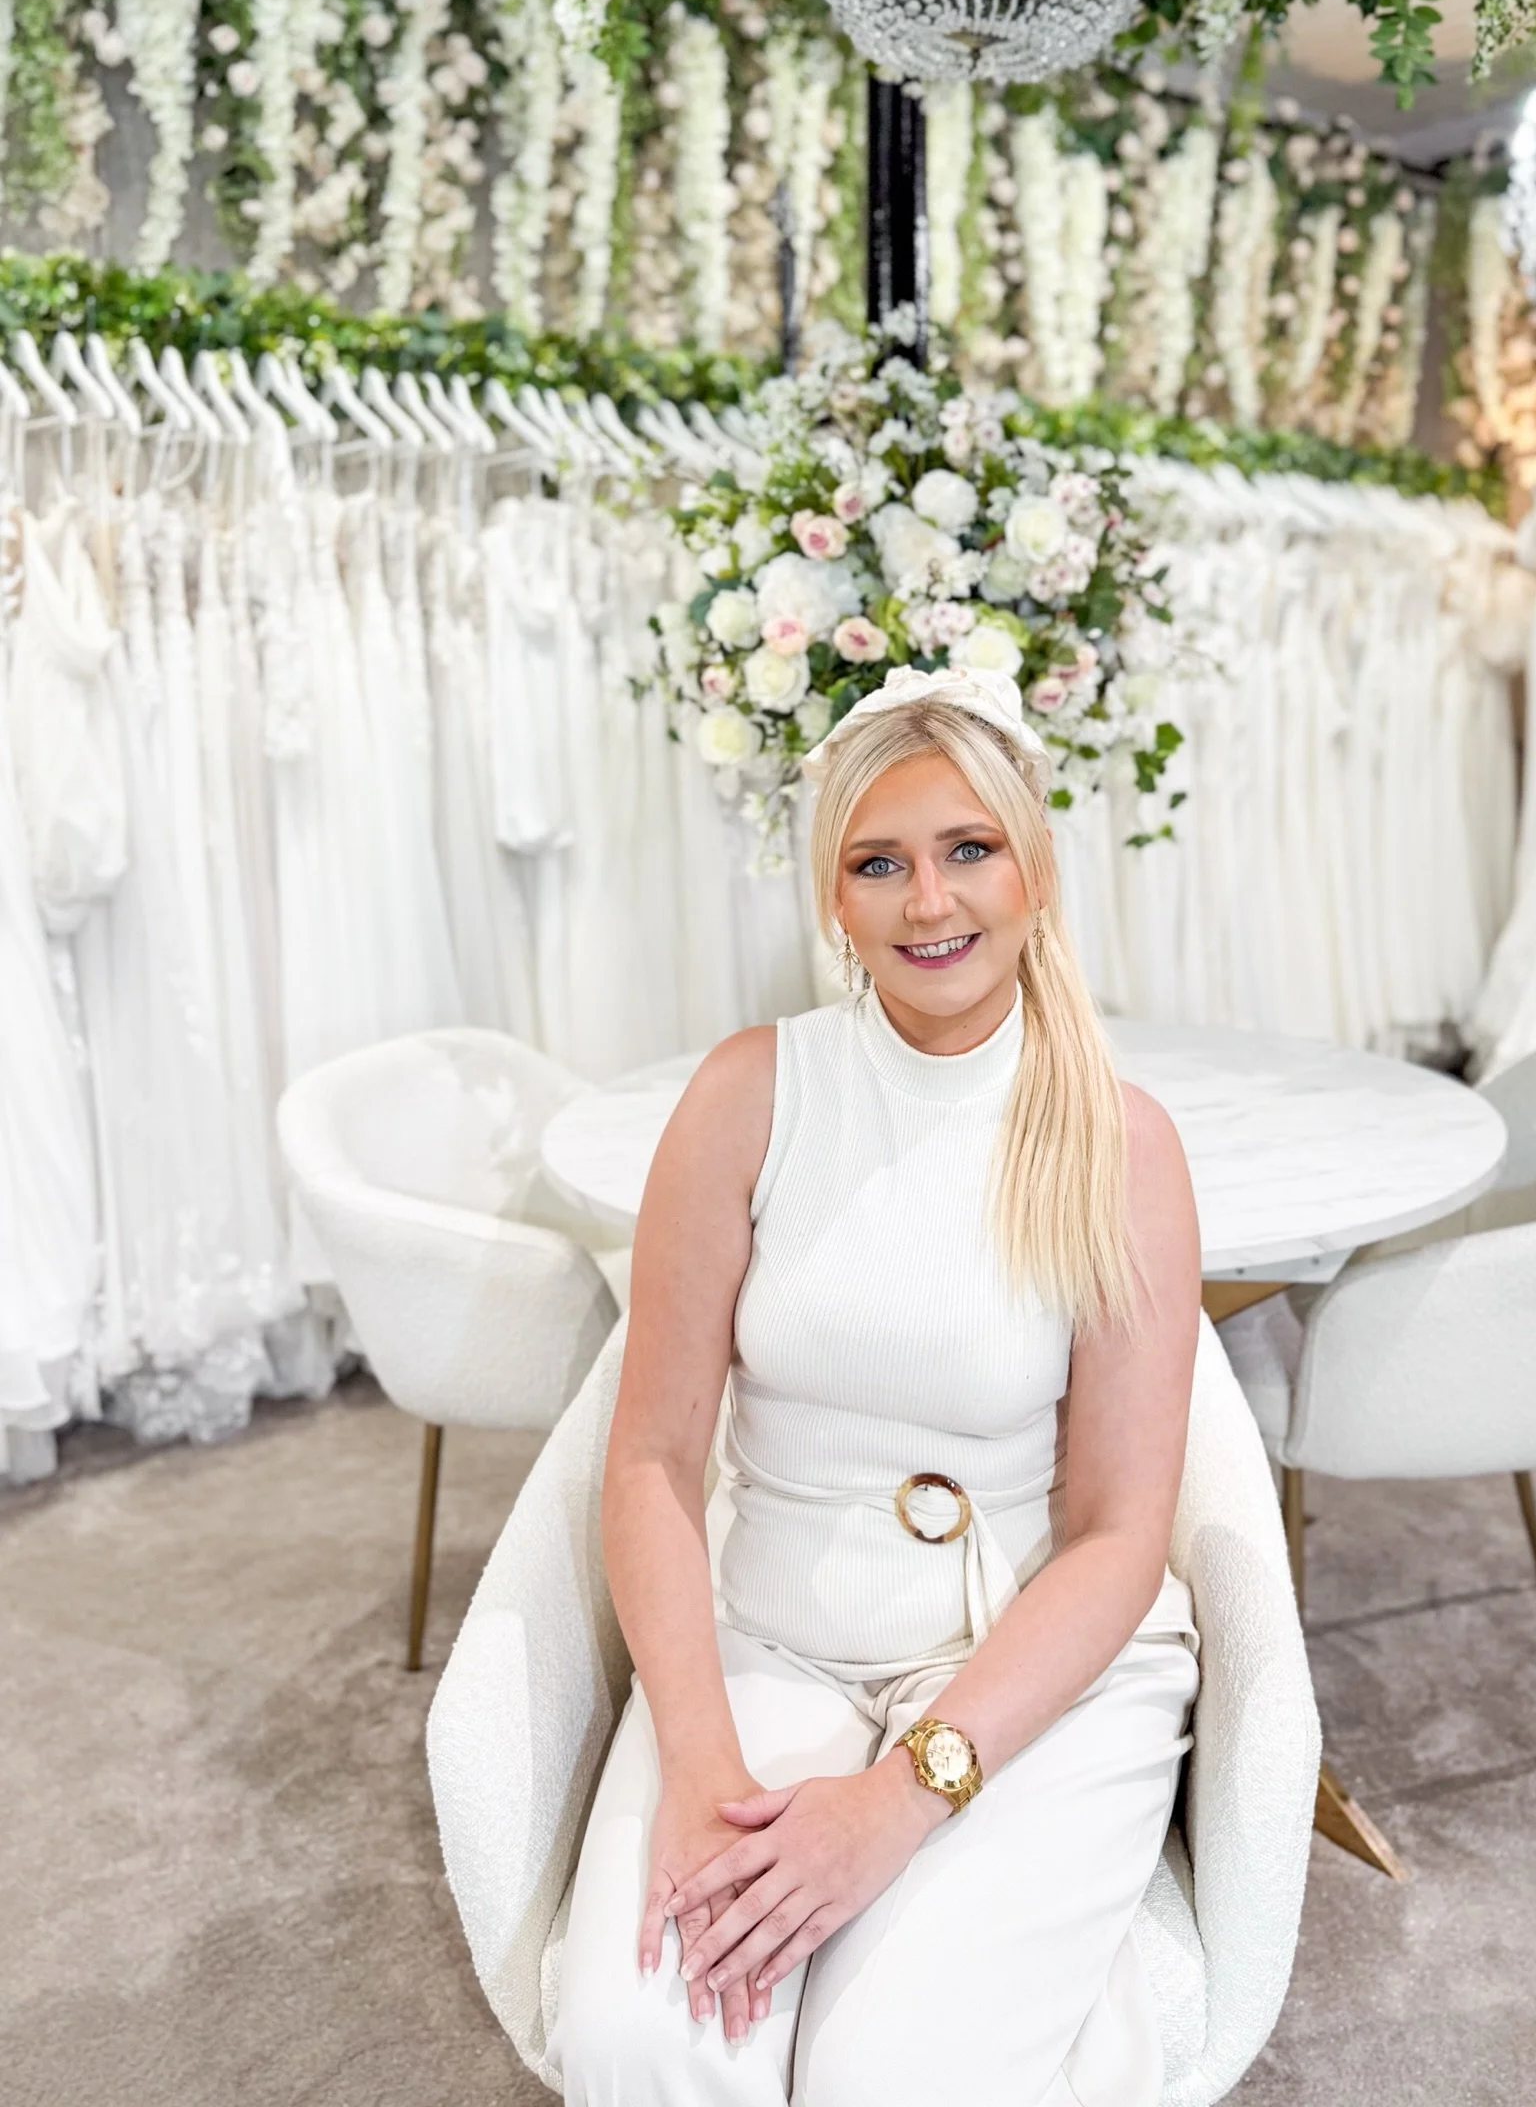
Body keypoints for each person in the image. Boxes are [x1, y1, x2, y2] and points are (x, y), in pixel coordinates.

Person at [557, 665, 1203, 2106]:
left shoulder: (1122, 1143)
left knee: (896, 2080)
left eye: (969, 849)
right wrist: (696, 1764)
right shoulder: (746, 1095)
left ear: (1034, 870)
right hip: (772, 1642)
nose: (931, 903)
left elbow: (1116, 1536)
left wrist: (901, 1802)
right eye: (881, 864)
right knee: (643, 2041)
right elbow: (653, 1461)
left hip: (1023, 1667)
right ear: (833, 899)